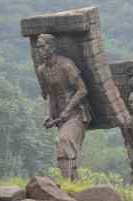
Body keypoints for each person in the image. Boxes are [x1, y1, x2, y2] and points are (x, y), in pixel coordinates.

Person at [36, 33, 91, 180]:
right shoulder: (41, 70)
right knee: (62, 149)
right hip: (60, 118)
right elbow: (48, 94)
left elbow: (82, 90)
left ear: (52, 47)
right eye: (38, 47)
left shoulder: (66, 65)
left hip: (76, 114)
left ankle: (69, 181)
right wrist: (47, 115)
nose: (39, 50)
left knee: (64, 141)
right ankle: (71, 182)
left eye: (43, 46)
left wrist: (67, 110)